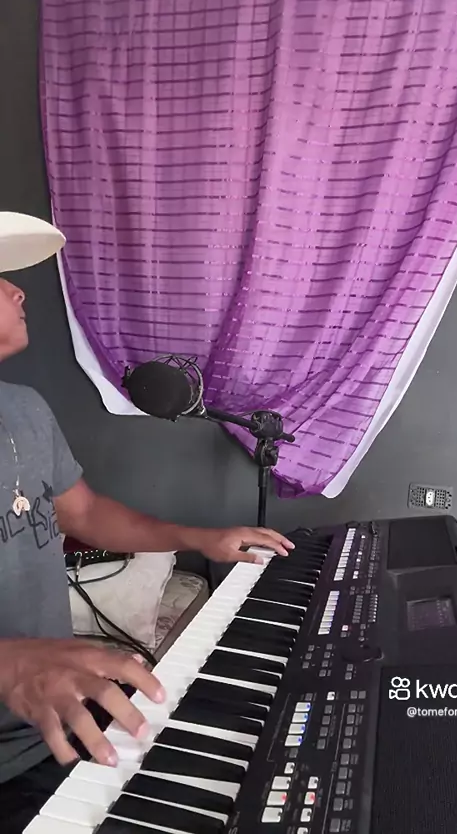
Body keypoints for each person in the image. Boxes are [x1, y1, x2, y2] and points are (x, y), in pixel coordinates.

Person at [0, 212, 294, 832]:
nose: (17, 290)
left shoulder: (24, 408)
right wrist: (11, 664)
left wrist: (197, 537)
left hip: (59, 725)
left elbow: (86, 513)